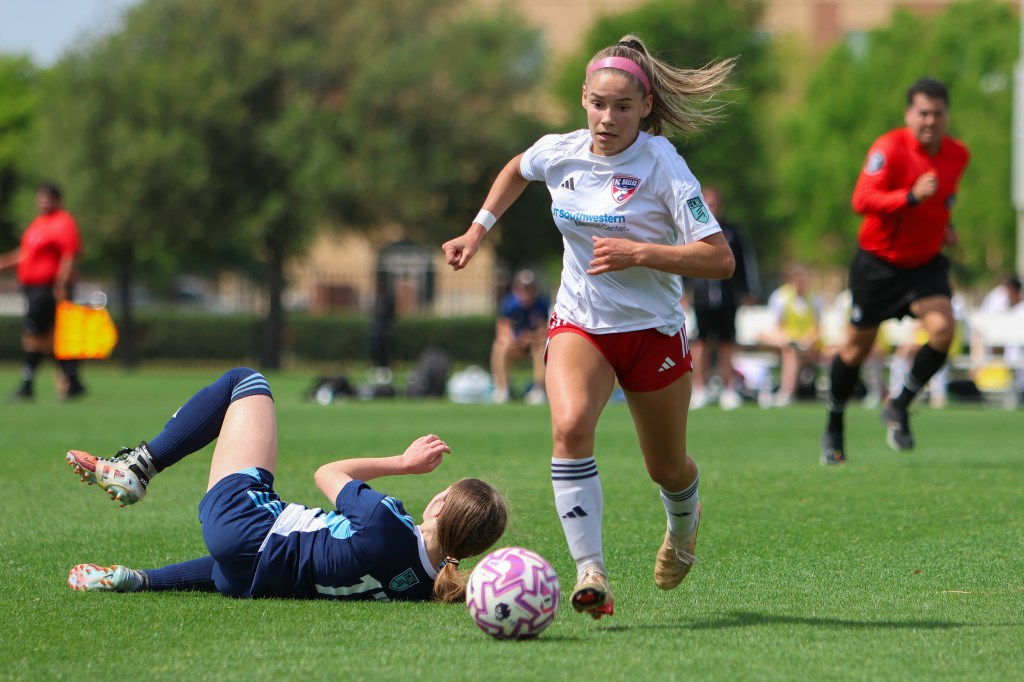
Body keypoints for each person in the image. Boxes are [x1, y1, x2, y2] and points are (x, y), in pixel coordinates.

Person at [441, 35, 736, 619]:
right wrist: (477, 230)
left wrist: (642, 252)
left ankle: (684, 526)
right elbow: (515, 170)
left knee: (667, 467)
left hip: (652, 330)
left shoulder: (662, 164)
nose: (608, 118)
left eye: (623, 106)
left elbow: (719, 259)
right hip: (581, 322)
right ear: (583, 99)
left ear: (645, 107)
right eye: (599, 103)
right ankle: (590, 572)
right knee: (570, 425)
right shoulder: (561, 151)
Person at [64, 367, 508, 602]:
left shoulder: (387, 521)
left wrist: (404, 463)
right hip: (256, 574)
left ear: (438, 505)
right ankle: (135, 580)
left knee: (246, 381)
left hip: (247, 526)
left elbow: (327, 474)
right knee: (237, 560)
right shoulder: (423, 587)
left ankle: (138, 468)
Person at [821, 78, 969, 465]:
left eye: (937, 113)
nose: (930, 121)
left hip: (924, 264)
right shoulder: (888, 148)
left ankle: (900, 404)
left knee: (943, 331)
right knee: (856, 350)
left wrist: (944, 224)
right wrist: (910, 196)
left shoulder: (958, 154)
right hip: (878, 264)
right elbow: (861, 200)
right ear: (908, 115)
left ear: (946, 116)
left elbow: (944, 199)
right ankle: (834, 425)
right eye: (923, 112)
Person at [0, 183, 86, 401]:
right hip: (33, 288)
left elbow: (69, 255)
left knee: (34, 335)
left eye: (46, 198)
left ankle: (28, 385)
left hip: (47, 288)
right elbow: (26, 254)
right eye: (40, 198)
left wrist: (60, 284)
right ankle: (72, 380)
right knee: (47, 338)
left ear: (57, 200)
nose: (42, 202)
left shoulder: (63, 223)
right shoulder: (38, 224)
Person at [685, 185, 760, 410]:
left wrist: (749, 290)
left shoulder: (732, 231)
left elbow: (745, 261)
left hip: (728, 297)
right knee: (701, 343)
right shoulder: (692, 231)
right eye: (707, 203)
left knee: (727, 342)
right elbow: (683, 261)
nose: (712, 207)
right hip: (702, 298)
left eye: (715, 203)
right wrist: (682, 291)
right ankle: (699, 389)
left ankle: (729, 389)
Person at [759, 263, 822, 407]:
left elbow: (818, 329)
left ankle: (786, 392)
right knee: (788, 348)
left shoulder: (814, 298)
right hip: (787, 341)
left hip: (809, 345)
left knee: (791, 351)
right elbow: (778, 327)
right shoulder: (780, 297)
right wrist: (789, 340)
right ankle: (786, 392)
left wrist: (806, 341)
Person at [490, 269, 549, 404]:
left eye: (529, 289)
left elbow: (544, 329)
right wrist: (514, 339)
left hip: (533, 345)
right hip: (514, 345)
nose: (526, 293)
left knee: (541, 345)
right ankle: (503, 389)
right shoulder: (509, 304)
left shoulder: (541, 305)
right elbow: (502, 328)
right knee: (500, 345)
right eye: (522, 289)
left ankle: (538, 390)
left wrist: (532, 337)